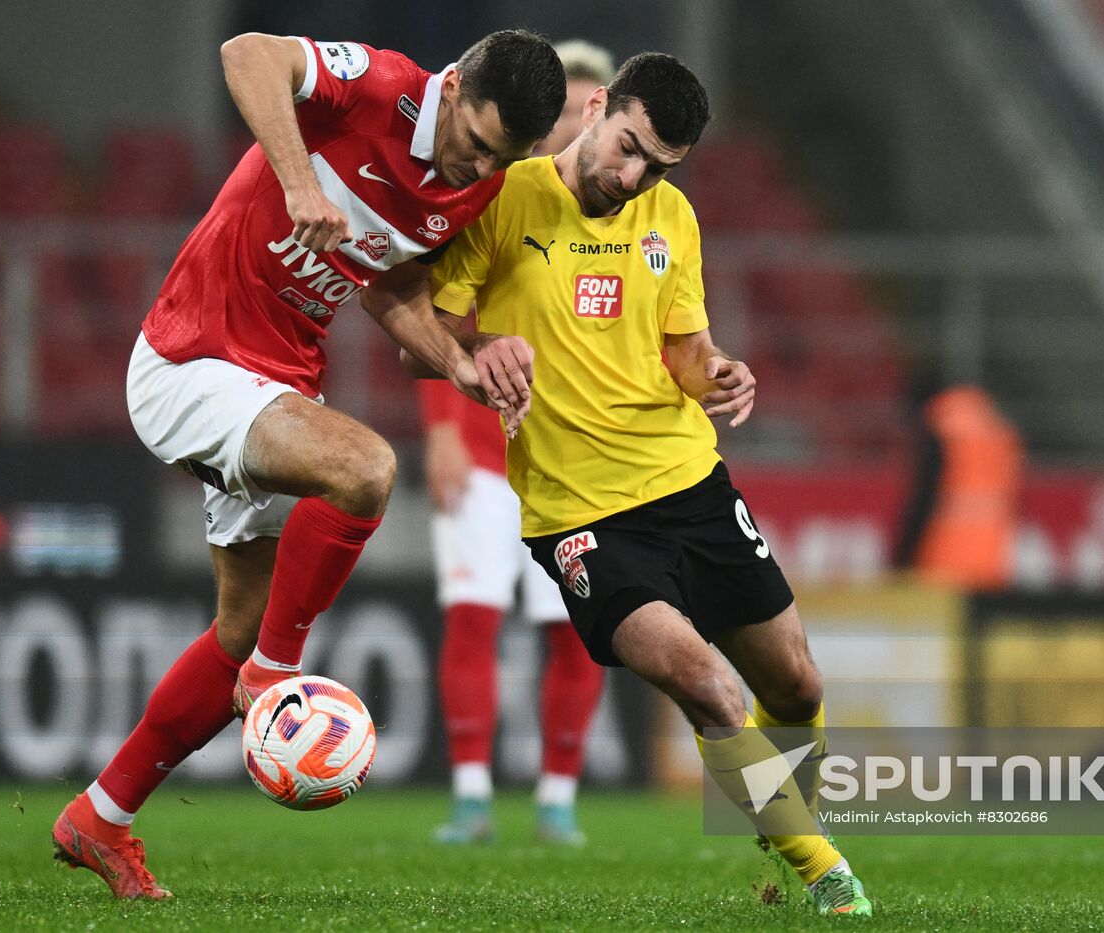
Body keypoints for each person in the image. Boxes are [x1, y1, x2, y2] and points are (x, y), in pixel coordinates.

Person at [51, 30, 566, 900]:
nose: (475, 163)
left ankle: (101, 814)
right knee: (365, 468)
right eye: (474, 140)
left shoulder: (475, 189)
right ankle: (280, 674)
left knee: (238, 632)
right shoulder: (380, 87)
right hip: (193, 361)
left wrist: (462, 365)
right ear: (453, 85)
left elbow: (387, 283)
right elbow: (246, 52)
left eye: (498, 158)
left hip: (275, 382)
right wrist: (296, 180)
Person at [415, 52, 873, 917]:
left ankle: (785, 827)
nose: (632, 177)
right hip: (580, 513)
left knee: (800, 687)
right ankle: (823, 870)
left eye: (656, 166)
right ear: (597, 108)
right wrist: (474, 352)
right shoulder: (506, 198)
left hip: (687, 480)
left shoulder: (670, 217)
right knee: (707, 685)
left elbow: (687, 353)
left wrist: (721, 372)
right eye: (627, 148)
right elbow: (422, 338)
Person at [417, 39, 615, 848]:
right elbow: (433, 314)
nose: (577, 122)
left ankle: (556, 799)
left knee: (573, 632)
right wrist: (438, 432)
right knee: (473, 619)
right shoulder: (495, 193)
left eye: (590, 110)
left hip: (570, 463)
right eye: (564, 108)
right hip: (482, 446)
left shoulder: (633, 215)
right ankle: (471, 794)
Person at [893, 375, 1023, 590]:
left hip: (945, 560)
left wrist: (903, 559)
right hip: (991, 562)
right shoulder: (996, 429)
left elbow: (925, 499)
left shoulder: (943, 431)